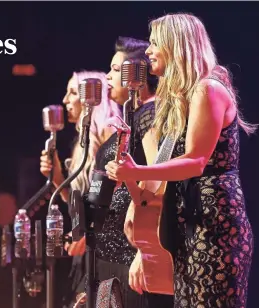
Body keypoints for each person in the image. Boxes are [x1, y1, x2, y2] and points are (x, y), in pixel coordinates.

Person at [105, 14, 255, 308]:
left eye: (154, 43)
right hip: (190, 223)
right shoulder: (181, 99)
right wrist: (131, 177)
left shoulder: (207, 89)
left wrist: (138, 170)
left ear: (177, 45)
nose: (147, 51)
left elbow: (197, 161)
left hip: (214, 225)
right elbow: (160, 180)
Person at [78, 36, 172, 308]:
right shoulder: (133, 116)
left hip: (129, 252)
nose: (108, 77)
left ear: (138, 75)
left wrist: (146, 249)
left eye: (117, 70)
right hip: (112, 250)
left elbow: (158, 182)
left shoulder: (150, 114)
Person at [40, 70, 120, 307]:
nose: (65, 100)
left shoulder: (110, 132)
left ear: (91, 97)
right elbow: (78, 204)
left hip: (105, 246)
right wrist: (56, 178)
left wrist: (89, 235)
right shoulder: (82, 143)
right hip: (86, 246)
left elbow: (116, 193)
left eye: (73, 92)